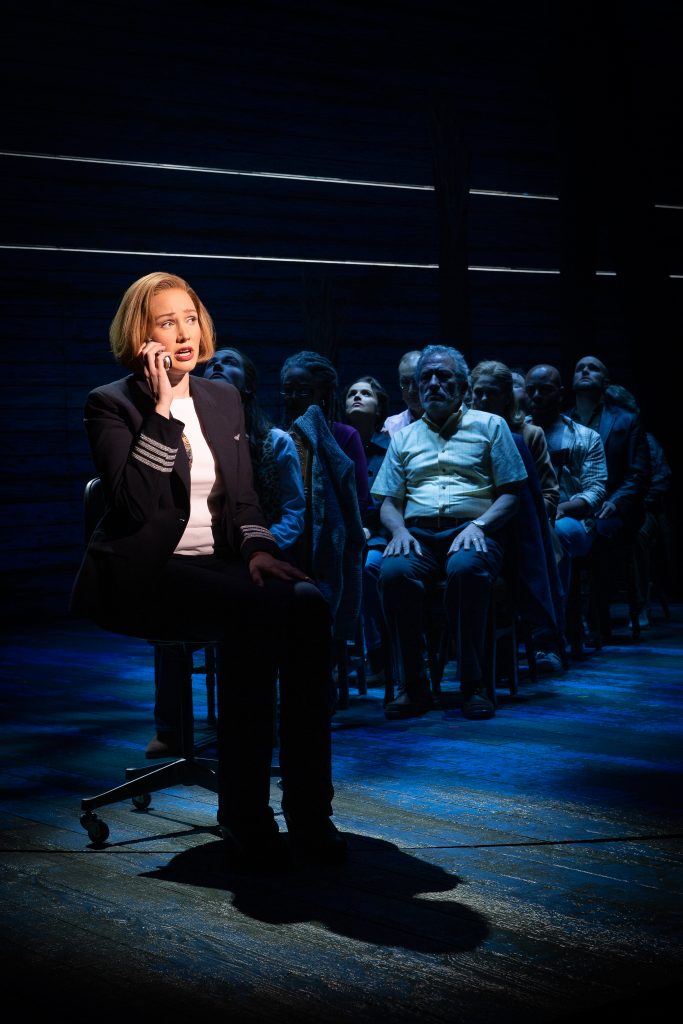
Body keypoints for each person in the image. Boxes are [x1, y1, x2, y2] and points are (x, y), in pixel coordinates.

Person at [69, 272, 346, 868]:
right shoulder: (110, 404)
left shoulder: (222, 399)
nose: (183, 333)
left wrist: (260, 550)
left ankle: (309, 810)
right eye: (166, 322)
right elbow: (134, 506)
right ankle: (245, 812)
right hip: (147, 573)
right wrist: (164, 409)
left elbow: (243, 501)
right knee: (254, 613)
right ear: (140, 334)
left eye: (190, 318)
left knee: (307, 602)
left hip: (220, 569)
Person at [147, 345, 307, 759]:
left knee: (258, 606)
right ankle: (171, 726)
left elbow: (293, 511)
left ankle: (257, 720)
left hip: (261, 553)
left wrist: (260, 547)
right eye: (211, 364)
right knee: (170, 595)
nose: (216, 365)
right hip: (204, 553)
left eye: (229, 362)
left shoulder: (275, 442)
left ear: (248, 386)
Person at [372, 345, 527, 721]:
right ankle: (414, 685)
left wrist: (478, 525)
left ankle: (473, 684)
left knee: (466, 569)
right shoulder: (404, 437)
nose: (433, 384)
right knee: (392, 573)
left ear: (463, 386)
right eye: (425, 377)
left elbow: (511, 494)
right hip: (418, 535)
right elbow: (389, 501)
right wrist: (398, 531)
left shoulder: (491, 426)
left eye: (443, 377)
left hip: (474, 530)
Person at [469, 361, 564, 671]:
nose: (484, 400)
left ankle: (545, 639)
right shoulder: (465, 434)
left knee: (536, 548)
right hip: (483, 524)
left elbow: (546, 493)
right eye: (478, 393)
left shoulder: (527, 435)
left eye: (492, 394)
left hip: (528, 521)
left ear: (506, 398)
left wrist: (525, 517)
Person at [279, 351, 367, 664]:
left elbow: (359, 498)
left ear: (323, 394)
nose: (293, 398)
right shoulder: (279, 437)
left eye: (302, 391)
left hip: (329, 538)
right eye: (288, 390)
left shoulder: (344, 436)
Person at [525, 363, 608, 650]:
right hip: (527, 519)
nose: (537, 396)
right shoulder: (513, 432)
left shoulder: (586, 437)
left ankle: (550, 637)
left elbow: (596, 489)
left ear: (560, 394)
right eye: (531, 390)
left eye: (545, 390)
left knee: (556, 536)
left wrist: (563, 508)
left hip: (574, 521)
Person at [569, 355, 651, 640]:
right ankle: (567, 618)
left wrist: (615, 501)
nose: (585, 371)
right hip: (574, 504)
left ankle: (595, 616)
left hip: (613, 507)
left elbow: (638, 473)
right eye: (580, 368)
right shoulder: (564, 420)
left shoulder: (626, 420)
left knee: (601, 533)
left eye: (593, 368)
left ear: (605, 381)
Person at [344, 375, 391, 684]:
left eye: (365, 393)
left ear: (379, 408)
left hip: (382, 534)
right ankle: (340, 655)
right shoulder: (338, 444)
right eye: (351, 393)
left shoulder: (390, 448)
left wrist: (370, 527)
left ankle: (379, 655)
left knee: (369, 568)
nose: (357, 397)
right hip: (346, 533)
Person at [381, 349, 423, 436]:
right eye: (405, 382)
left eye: (416, 381)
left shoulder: (447, 420)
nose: (411, 390)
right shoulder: (390, 425)